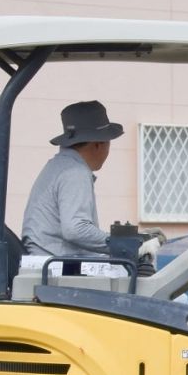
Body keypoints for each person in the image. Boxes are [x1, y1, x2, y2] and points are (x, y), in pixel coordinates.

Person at [21, 100, 123, 259]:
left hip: (51, 259)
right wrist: (123, 245)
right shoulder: (75, 173)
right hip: (58, 266)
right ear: (99, 144)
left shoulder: (59, 166)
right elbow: (76, 229)